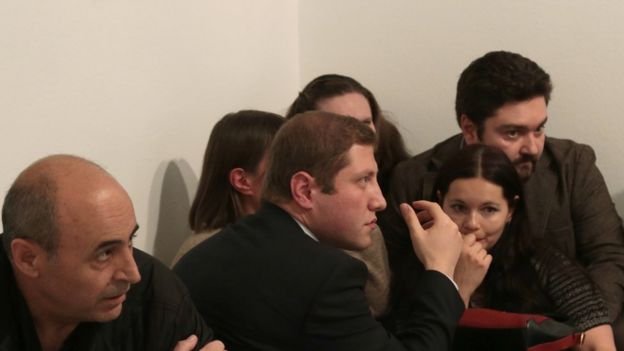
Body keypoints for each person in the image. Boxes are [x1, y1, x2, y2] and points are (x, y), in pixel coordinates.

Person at [378, 51, 624, 345]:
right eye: (513, 133)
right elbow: (394, 286)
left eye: (539, 128)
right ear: (469, 129)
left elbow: (607, 255)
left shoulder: (573, 164)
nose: (532, 147)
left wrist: (577, 332)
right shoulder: (413, 177)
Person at [174, 111, 474, 350]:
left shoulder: (202, 256)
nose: (380, 201)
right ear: (304, 190)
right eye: (363, 180)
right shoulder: (326, 276)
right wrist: (441, 270)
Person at [1, 155, 224, 351]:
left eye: (130, 241)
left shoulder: (154, 295)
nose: (132, 273)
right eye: (104, 254)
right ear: (28, 259)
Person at [433, 144, 615, 350]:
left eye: (489, 210)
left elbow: (598, 344)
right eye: (458, 207)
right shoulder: (422, 263)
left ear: (510, 210)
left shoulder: (543, 262)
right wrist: (459, 287)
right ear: (440, 203)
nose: (472, 223)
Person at [285, 73, 409, 317]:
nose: (359, 136)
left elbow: (382, 300)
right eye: (342, 126)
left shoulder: (399, 178)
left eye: (365, 123)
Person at [171, 110, 284, 266]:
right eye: (282, 165)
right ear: (242, 181)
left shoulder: (288, 233)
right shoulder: (201, 251)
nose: (297, 176)